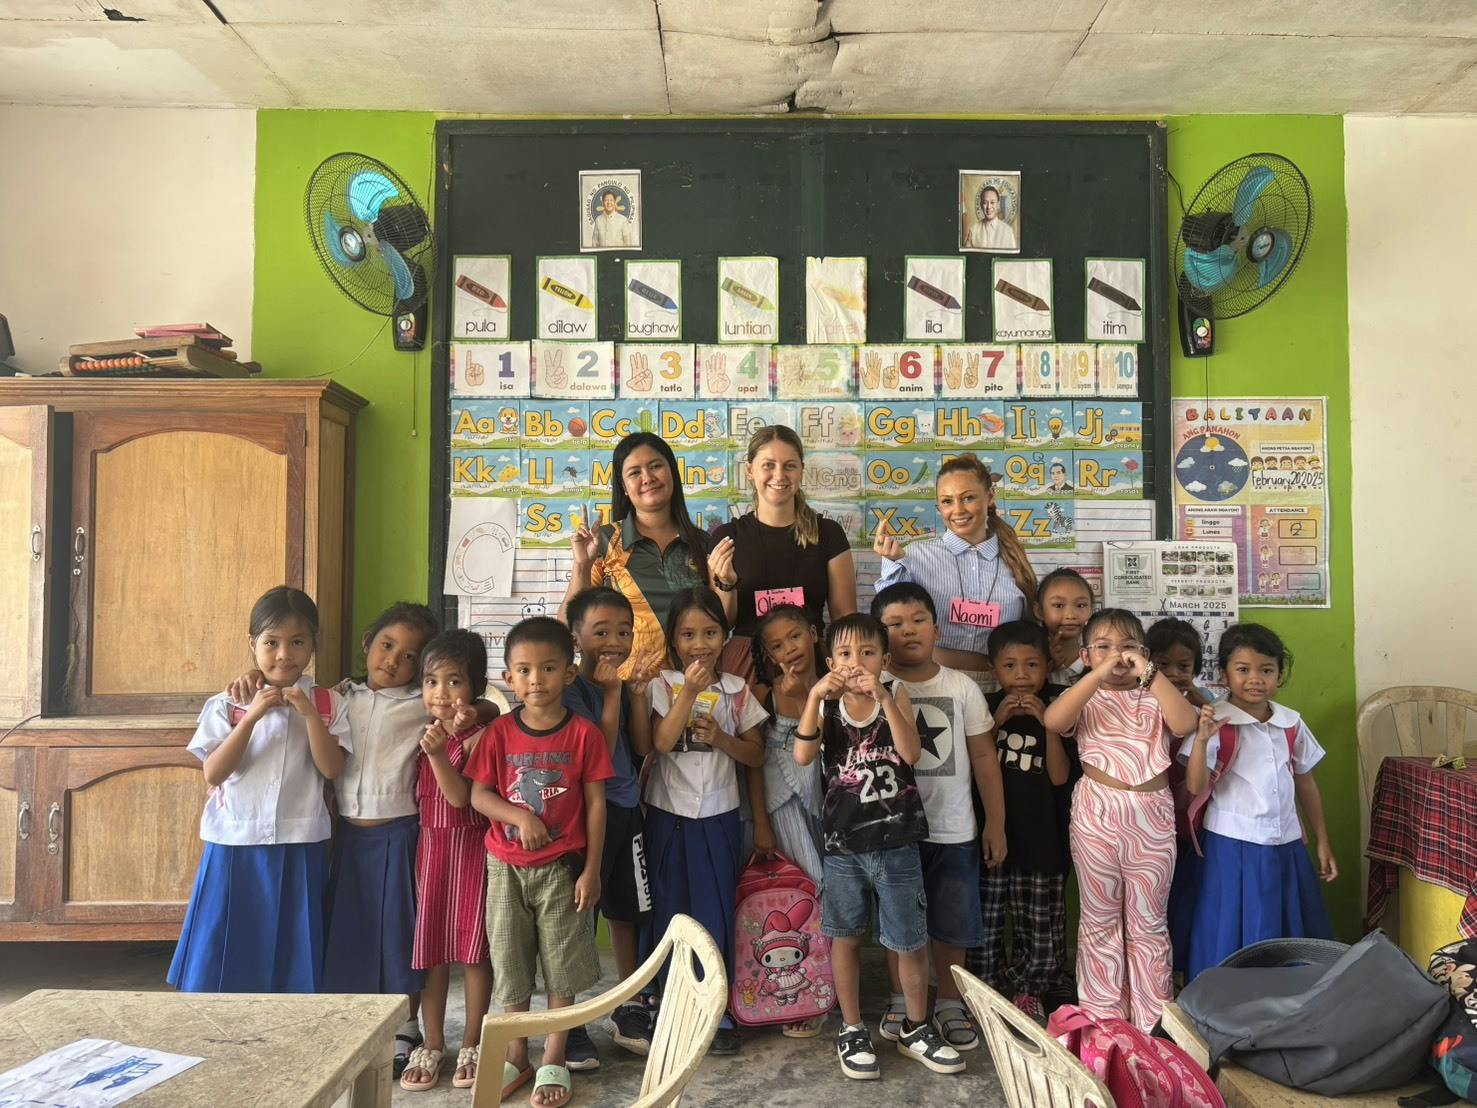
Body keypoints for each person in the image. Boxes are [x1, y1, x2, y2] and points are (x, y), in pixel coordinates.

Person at [795, 613, 965, 1081]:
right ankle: (851, 1028)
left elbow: (911, 754)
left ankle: (915, 1025)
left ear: (884, 660)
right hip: (844, 846)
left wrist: (885, 696)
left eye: (867, 653)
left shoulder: (897, 695)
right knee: (845, 936)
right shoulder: (826, 707)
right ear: (830, 662)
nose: (856, 663)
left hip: (897, 841)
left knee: (908, 939)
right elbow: (803, 755)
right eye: (845, 655)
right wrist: (813, 694)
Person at [167, 586, 351, 993]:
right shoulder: (227, 704)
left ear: (313, 646)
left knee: (294, 949)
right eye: (271, 642)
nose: (285, 654)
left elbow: (332, 768)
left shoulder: (327, 704)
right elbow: (213, 773)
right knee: (227, 942)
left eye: (298, 642)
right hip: (234, 843)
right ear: (253, 645)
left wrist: (307, 714)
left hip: (300, 841)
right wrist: (250, 719)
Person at [466, 617, 615, 1108]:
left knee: (561, 964)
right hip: (504, 867)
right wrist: (517, 816)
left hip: (562, 869)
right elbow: (479, 795)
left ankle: (552, 1054)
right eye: (524, 670)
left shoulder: (584, 736)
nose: (536, 680)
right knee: (509, 960)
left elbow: (596, 804)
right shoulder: (499, 734)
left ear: (569, 674)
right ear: (508, 679)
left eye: (548, 668)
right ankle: (517, 1053)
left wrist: (591, 870)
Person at [1043, 609, 1200, 1032]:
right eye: (1105, 648)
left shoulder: (1155, 694)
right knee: (1099, 919)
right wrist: (1093, 675)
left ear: (1146, 655)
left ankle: (1153, 1020)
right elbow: (1054, 721)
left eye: (1129, 647)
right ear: (1086, 655)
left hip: (1151, 817)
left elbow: (1186, 722)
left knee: (1149, 922)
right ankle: (1103, 1017)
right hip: (1097, 813)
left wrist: (1151, 675)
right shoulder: (1085, 694)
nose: (1119, 657)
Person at [872, 582, 1005, 1053]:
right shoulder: (877, 690)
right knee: (898, 922)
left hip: (954, 828)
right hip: (894, 832)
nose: (908, 631)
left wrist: (996, 823)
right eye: (894, 624)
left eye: (917, 620)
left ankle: (949, 1001)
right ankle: (899, 998)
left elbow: (986, 758)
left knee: (953, 920)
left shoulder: (961, 687)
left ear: (937, 627)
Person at [1176, 624, 1336, 980]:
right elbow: (1196, 784)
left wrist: (1322, 839)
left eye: (1266, 670)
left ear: (1280, 674)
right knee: (1230, 926)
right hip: (1232, 844)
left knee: (1291, 922)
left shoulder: (1291, 722)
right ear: (1224, 674)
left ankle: (1291, 995)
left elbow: (1305, 780)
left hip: (1287, 844)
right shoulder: (1216, 720)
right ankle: (1228, 997)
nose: (1255, 679)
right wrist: (1201, 741)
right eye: (1243, 670)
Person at [647, 587, 767, 1055]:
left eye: (710, 633)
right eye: (689, 634)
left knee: (714, 910)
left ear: (725, 636)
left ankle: (717, 1013)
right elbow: (660, 743)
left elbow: (755, 755)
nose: (700, 643)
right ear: (674, 640)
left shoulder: (738, 693)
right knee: (671, 910)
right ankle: (669, 1007)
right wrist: (690, 691)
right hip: (667, 813)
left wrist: (722, 738)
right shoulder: (662, 684)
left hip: (718, 814)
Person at [562, 587, 655, 1062]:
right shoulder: (570, 686)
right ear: (576, 637)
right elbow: (596, 751)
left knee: (629, 912)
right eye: (601, 632)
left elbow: (640, 745)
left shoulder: (625, 679)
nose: (615, 641)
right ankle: (571, 1022)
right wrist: (614, 691)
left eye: (624, 631)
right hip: (583, 815)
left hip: (626, 808)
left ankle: (631, 1005)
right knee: (581, 915)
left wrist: (632, 694)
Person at [402, 629, 496, 1092]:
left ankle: (474, 1041)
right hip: (432, 853)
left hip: (472, 851)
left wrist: (439, 752)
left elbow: (460, 800)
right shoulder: (424, 731)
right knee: (434, 951)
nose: (441, 693)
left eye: (454, 681)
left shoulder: (480, 736)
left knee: (474, 950)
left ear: (474, 688)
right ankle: (434, 1042)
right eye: (431, 681)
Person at [968, 620, 1075, 1022]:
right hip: (993, 838)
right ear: (995, 670)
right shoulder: (984, 705)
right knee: (987, 919)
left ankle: (1031, 989)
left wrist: (1048, 724)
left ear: (1047, 666)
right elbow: (972, 767)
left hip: (1043, 839)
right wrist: (995, 723)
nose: (1021, 676)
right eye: (1010, 666)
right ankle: (988, 988)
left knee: (1040, 923)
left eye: (1031, 665)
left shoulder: (1060, 705)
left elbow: (1060, 776)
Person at [565, 432, 735, 681]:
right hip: (621, 688)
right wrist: (582, 564)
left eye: (656, 466)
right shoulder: (603, 540)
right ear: (623, 486)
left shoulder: (702, 543)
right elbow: (569, 624)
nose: (648, 477)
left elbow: (723, 623)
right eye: (635, 472)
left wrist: (727, 583)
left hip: (689, 686)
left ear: (672, 474)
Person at [873, 453, 1037, 695]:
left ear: (990, 497)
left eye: (968, 498)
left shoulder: (1015, 560)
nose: (958, 510)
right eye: (947, 501)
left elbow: (1028, 634)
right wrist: (891, 562)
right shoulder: (914, 557)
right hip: (927, 685)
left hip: (999, 689)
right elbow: (889, 620)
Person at [713, 425, 857, 680]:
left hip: (811, 665)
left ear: (801, 470)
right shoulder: (727, 537)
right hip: (746, 667)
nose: (779, 475)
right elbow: (719, 627)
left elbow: (845, 620)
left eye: (789, 465)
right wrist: (726, 584)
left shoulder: (828, 533)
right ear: (750, 471)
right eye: (768, 465)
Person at [746, 603, 828, 1039]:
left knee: (830, 890)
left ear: (814, 632)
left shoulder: (835, 685)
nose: (789, 649)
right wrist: (761, 823)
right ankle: (789, 994)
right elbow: (755, 765)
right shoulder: (766, 694)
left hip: (828, 808)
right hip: (782, 809)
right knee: (804, 889)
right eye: (776, 646)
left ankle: (819, 986)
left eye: (794, 636)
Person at [1034, 568, 1094, 686]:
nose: (1070, 615)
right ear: (1039, 611)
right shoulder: (1030, 666)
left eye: (1081, 605)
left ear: (1091, 610)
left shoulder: (1097, 663)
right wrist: (1045, 670)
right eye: (1059, 605)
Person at [1147, 617, 1213, 709]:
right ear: (1146, 662)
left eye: (1183, 666)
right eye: (1163, 664)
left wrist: (1202, 703)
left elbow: (1222, 720)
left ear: (1193, 671)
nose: (1173, 673)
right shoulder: (1138, 694)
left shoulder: (1202, 695)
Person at [965, 185, 1017, 251]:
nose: (989, 207)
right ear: (981, 205)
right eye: (985, 203)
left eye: (992, 202)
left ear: (998, 205)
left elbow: (1011, 260)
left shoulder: (1008, 231)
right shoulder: (973, 230)